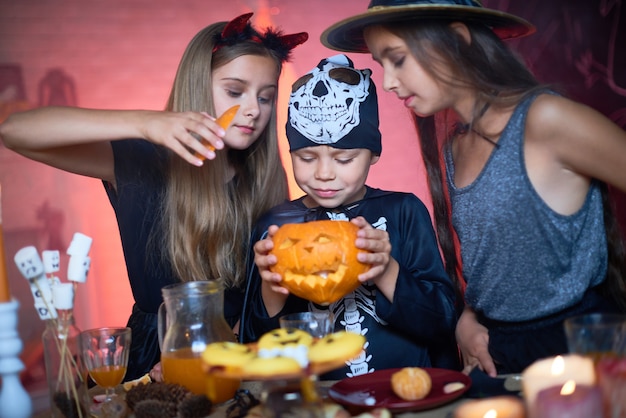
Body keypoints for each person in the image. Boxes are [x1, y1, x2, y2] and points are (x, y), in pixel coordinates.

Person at [320, 0, 626, 376]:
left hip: (578, 352)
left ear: (457, 39)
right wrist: (467, 318)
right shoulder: (455, 149)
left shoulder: (544, 119)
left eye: (397, 59)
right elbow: (499, 265)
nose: (388, 82)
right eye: (383, 65)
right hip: (500, 357)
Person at [0, 13, 307, 381]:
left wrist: (237, 347)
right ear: (197, 85)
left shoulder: (264, 181)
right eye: (235, 91)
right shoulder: (142, 162)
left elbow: (264, 298)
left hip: (239, 358)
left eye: (266, 97)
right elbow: (15, 131)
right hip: (152, 361)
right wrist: (145, 123)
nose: (254, 109)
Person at [240, 54, 460, 379]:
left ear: (373, 154)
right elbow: (254, 346)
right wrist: (272, 290)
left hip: (406, 396)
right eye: (306, 157)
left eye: (344, 158)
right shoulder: (275, 227)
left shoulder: (403, 211)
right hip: (318, 403)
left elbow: (443, 321)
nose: (324, 173)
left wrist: (385, 270)